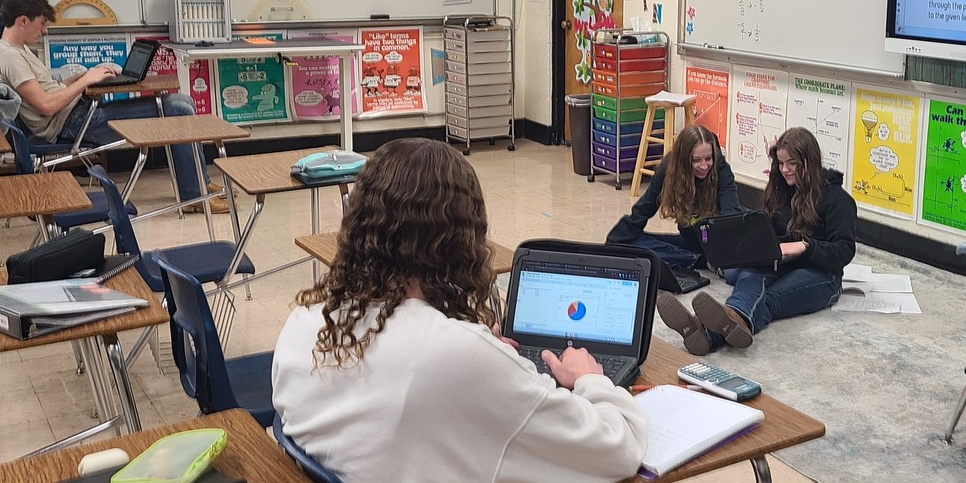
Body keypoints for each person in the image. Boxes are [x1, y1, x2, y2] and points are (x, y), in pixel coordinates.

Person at [272, 138, 649, 482]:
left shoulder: (304, 324)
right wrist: (591, 380)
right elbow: (618, 452)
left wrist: (479, 355)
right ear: (459, 242)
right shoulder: (457, 356)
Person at [0, 0, 229, 214]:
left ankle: (199, 182)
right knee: (177, 109)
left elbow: (50, 92)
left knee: (182, 100)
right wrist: (86, 82)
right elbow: (46, 105)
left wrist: (84, 76)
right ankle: (193, 196)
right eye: (42, 23)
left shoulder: (17, 49)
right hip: (72, 125)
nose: (44, 31)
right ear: (23, 21)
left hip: (77, 115)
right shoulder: (11, 57)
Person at [657, 127, 856, 355]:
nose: (785, 170)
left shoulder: (838, 200)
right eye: (781, 164)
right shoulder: (782, 191)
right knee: (752, 272)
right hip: (784, 264)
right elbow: (770, 233)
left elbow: (844, 250)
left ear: (809, 161)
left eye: (792, 164)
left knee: (769, 300)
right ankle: (714, 327)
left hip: (823, 276)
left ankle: (705, 331)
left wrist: (805, 246)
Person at [606, 124, 744, 270]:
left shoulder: (721, 170)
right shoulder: (669, 167)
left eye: (708, 158)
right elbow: (645, 207)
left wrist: (722, 253)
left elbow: (731, 217)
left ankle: (700, 260)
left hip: (719, 242)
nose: (703, 166)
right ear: (683, 160)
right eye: (696, 160)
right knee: (630, 242)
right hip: (691, 242)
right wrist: (617, 242)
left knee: (646, 253)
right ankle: (697, 260)